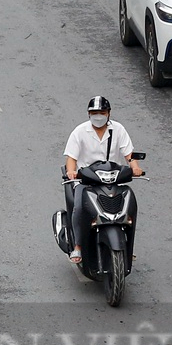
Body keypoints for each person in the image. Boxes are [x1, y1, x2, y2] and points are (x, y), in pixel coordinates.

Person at [62, 96, 142, 264]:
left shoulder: (118, 130)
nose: (98, 116)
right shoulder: (80, 131)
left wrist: (135, 167)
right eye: (94, 113)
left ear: (109, 113)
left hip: (113, 179)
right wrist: (71, 172)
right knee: (78, 208)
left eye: (102, 112)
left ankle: (128, 247)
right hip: (87, 181)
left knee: (129, 206)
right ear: (88, 114)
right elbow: (71, 158)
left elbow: (129, 154)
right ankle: (78, 246)